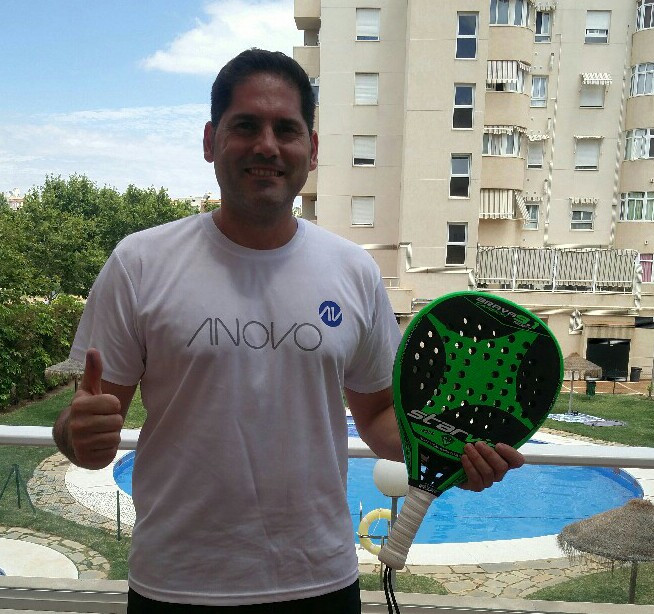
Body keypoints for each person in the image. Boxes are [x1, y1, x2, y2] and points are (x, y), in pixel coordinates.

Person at [53, 49, 524, 613]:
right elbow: (86, 431)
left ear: (312, 149)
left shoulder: (353, 272)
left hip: (319, 581)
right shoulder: (139, 264)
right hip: (177, 584)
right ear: (210, 141)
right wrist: (76, 436)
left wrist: (451, 458)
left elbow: (378, 415)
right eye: (245, 126)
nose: (267, 146)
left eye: (286, 129)